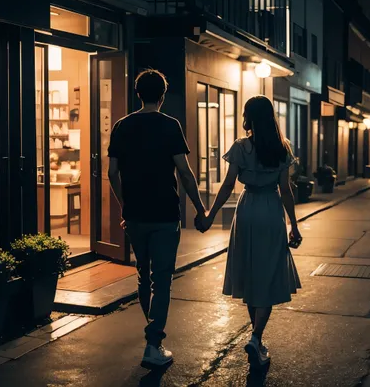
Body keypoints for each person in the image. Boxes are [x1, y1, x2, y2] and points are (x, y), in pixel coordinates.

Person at [107, 69, 206, 368]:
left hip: (135, 215)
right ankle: (153, 343)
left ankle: (152, 333)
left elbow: (112, 173)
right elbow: (185, 173)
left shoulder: (121, 126)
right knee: (162, 280)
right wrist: (201, 210)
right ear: (162, 95)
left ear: (138, 93)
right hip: (164, 213)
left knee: (143, 274)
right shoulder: (170, 126)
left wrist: (125, 205)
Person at [198, 95, 302, 370]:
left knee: (250, 271)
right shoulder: (282, 148)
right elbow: (286, 190)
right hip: (270, 211)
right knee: (267, 276)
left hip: (246, 210)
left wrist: (209, 215)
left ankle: (256, 338)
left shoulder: (241, 147)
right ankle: (256, 337)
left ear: (248, 117)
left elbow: (228, 184)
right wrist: (294, 224)